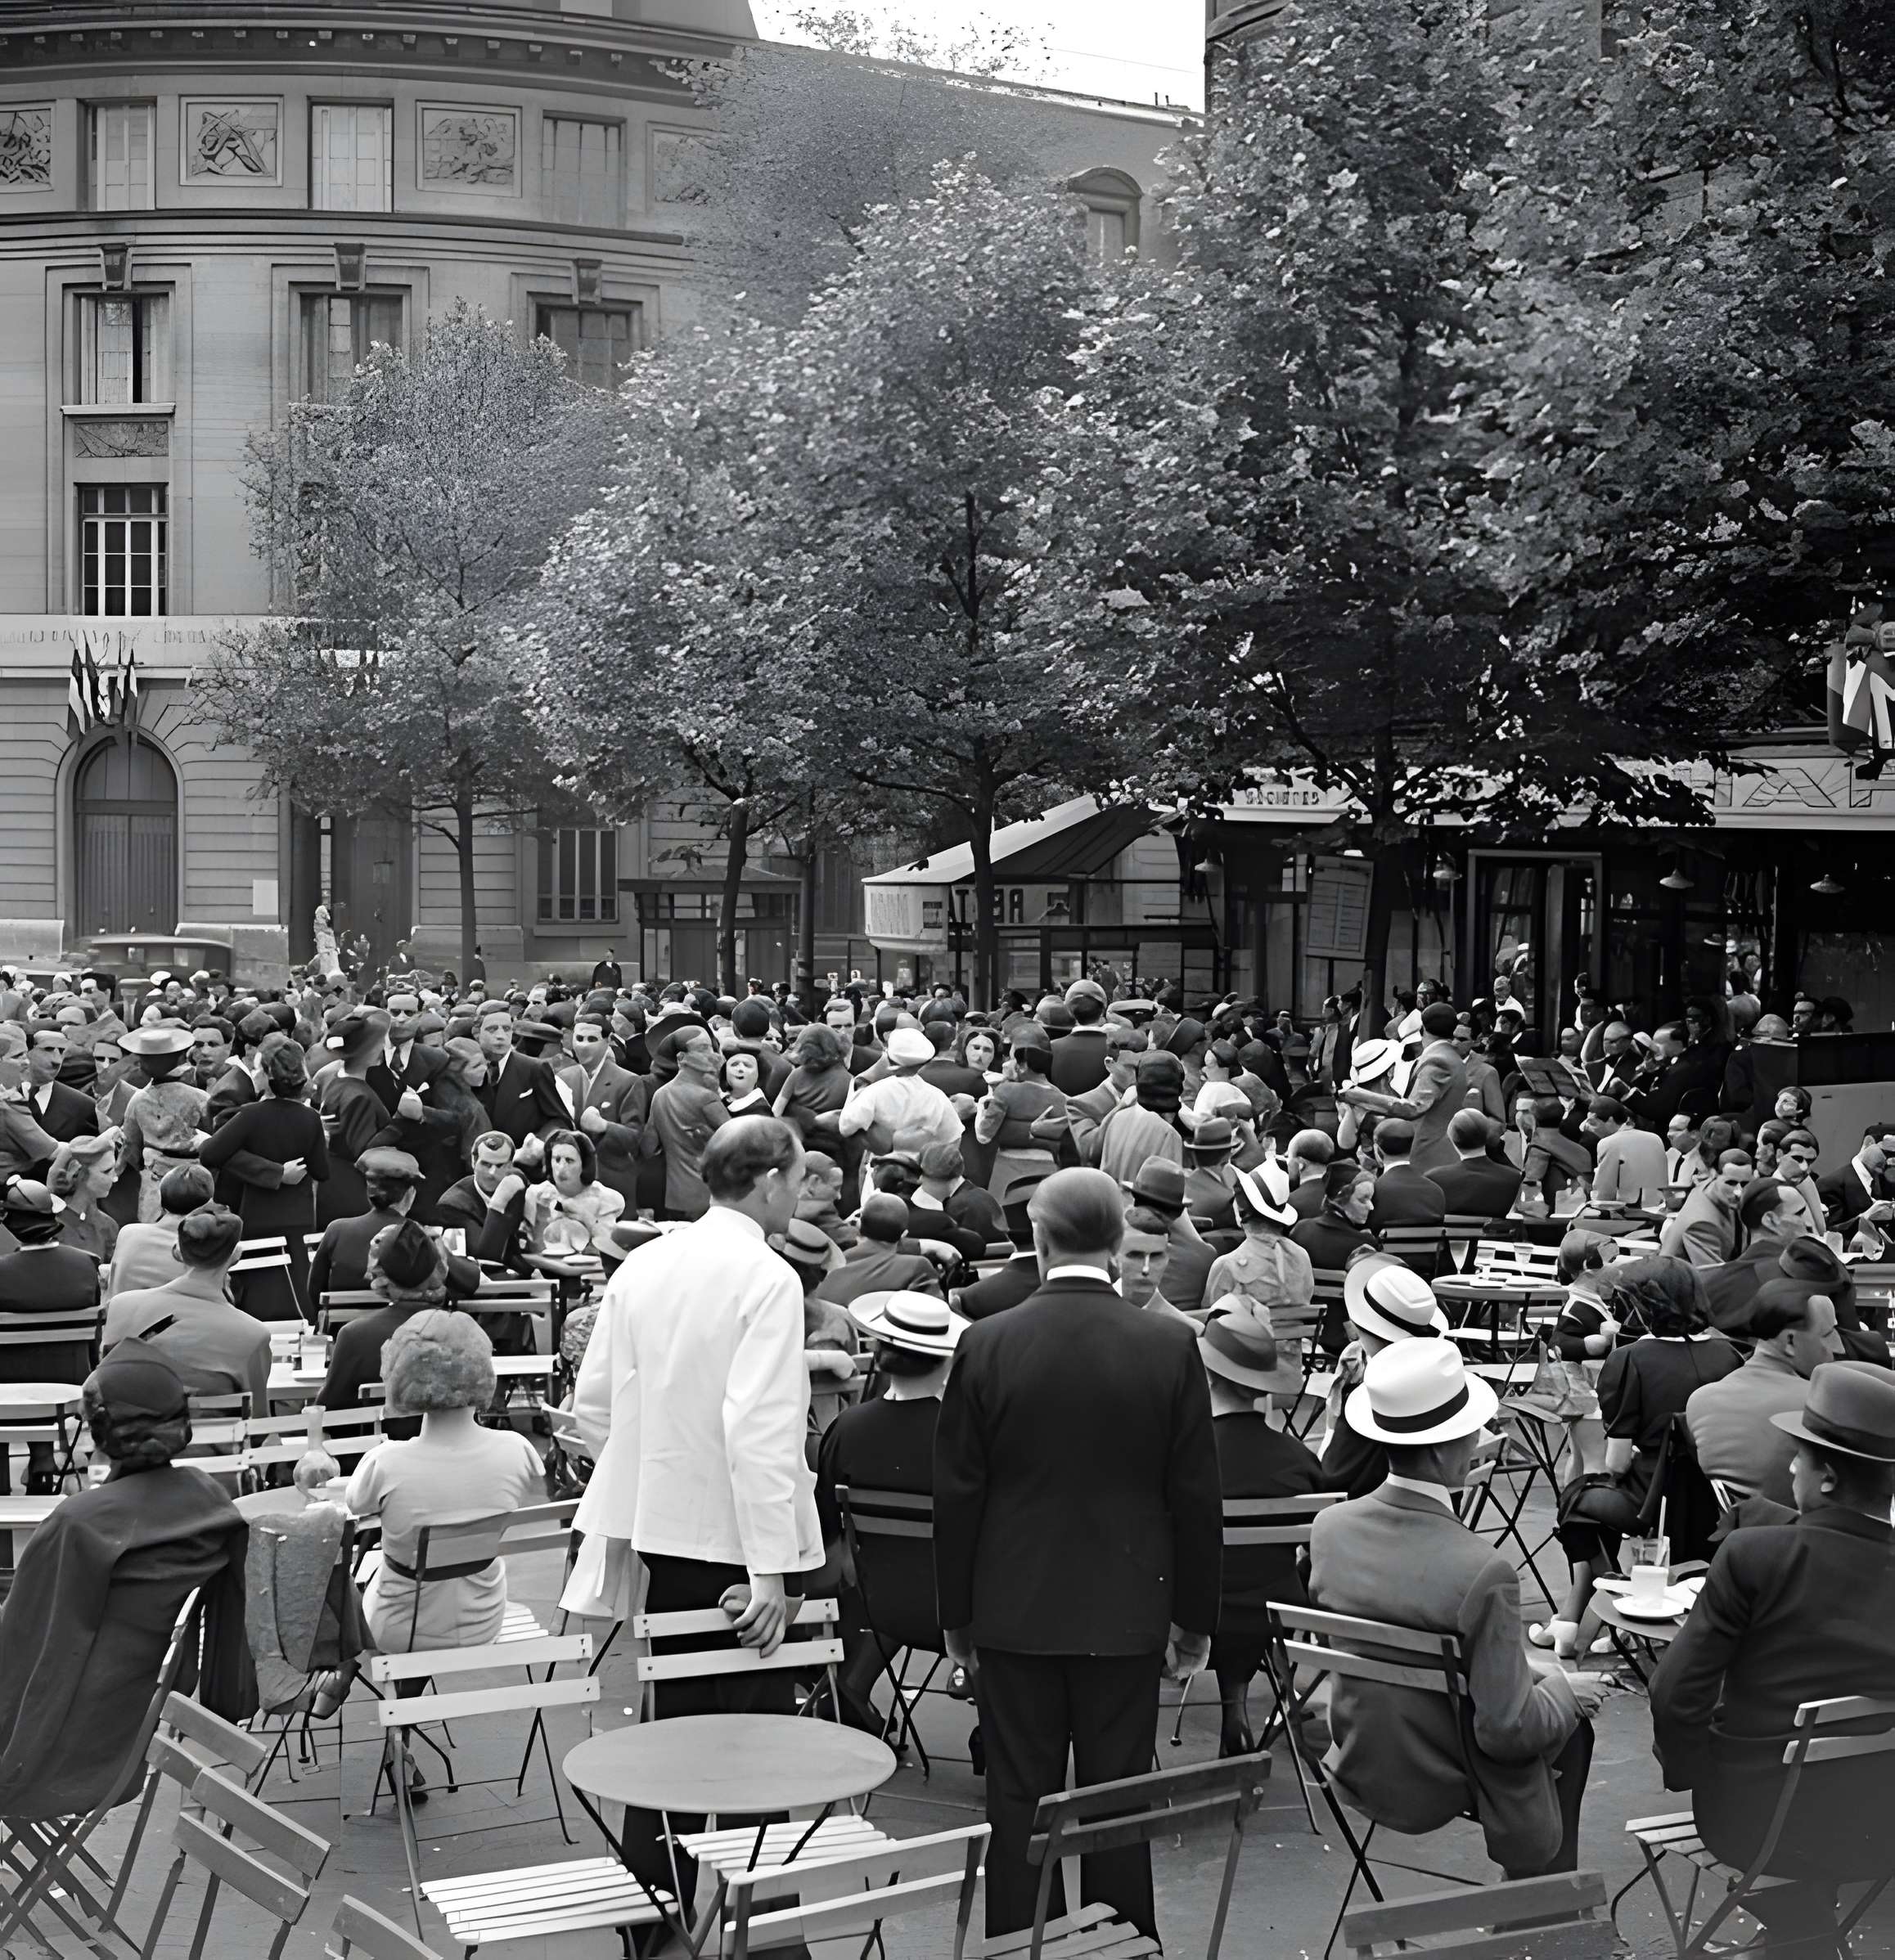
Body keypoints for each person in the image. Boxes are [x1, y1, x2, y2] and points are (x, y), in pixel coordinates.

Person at [934, 1167, 1222, 1942]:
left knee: (1018, 1803)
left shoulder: (987, 1343)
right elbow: (1196, 1498)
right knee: (1115, 1803)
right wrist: (1195, 1619)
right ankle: (1122, 1946)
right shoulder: (1167, 1345)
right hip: (1127, 1609)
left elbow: (958, 1496)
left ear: (1037, 1236)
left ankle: (1020, 1946)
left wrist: (955, 1615)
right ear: (1118, 1240)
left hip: (1013, 1606)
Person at [567, 1117, 821, 1910]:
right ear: (771, 1177)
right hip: (738, 1545)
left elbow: (595, 1403)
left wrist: (659, 1483)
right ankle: (767, 1934)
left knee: (678, 1741)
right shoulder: (767, 1275)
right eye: (802, 1175)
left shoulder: (648, 1262)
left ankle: (657, 1923)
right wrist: (769, 1570)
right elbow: (763, 1430)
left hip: (664, 1534)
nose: (805, 1191)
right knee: (750, 1752)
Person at [1308, 1340, 1605, 1878]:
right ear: (1451, 1449)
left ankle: (1541, 1911)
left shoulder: (1331, 1529)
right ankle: (1539, 1911)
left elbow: (1400, 1636)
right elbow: (1506, 1731)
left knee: (1544, 1695)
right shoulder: (1481, 1569)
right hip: (1442, 1770)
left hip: (1360, 1755)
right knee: (1572, 1730)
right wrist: (1565, 1689)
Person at [1650, 1362, 1895, 1955]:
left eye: (1800, 1458)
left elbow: (1673, 1696)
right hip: (1879, 1828)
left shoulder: (1755, 1556)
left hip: (1754, 1823)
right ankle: (1800, 1930)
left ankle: (1795, 1927)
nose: (1790, 1467)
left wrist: (1692, 1773)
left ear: (1828, 1479)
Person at [0, 1345, 254, 1819]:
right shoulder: (206, 1495)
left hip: (62, 1748)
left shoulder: (81, 1523)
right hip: (127, 1725)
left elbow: (23, 1643)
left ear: (98, 1431)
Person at [1542, 1258, 1741, 1658]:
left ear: (1641, 1307)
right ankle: (1592, 1615)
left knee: (1578, 1500)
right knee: (1594, 1501)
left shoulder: (1630, 1360)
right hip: (1718, 1496)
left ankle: (1610, 1609)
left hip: (1654, 1499)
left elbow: (1616, 1463)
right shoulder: (1730, 1354)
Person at [814, 1290, 966, 1739]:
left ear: (878, 1359)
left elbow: (827, 1525)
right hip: (960, 1610)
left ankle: (850, 1685)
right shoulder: (965, 1434)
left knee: (872, 1565)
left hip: (877, 1604)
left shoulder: (847, 1428)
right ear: (945, 1362)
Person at [347, 1311, 545, 1657]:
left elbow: (355, 1505)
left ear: (399, 1376)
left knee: (355, 1579)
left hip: (401, 1629)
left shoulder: (386, 1461)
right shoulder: (518, 1450)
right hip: (483, 1623)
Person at [1199, 1301, 1320, 1757]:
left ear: (1207, 1377)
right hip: (1277, 1611)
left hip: (1197, 1609)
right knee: (1253, 1580)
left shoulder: (1187, 1454)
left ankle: (1235, 1709)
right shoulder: (1296, 1458)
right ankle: (1237, 1707)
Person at [196, 1035, 329, 1319]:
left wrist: (265, 1169)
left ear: (268, 1076)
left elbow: (210, 1154)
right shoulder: (311, 1118)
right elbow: (321, 1171)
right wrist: (279, 1172)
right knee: (295, 1289)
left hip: (259, 1215)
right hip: (299, 1215)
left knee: (258, 1289)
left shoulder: (250, 1115)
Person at [101, 1205, 272, 1415]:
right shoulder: (253, 1334)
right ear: (235, 1255)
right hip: (214, 1444)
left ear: (178, 1251)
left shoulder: (120, 1306)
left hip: (123, 1440)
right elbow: (259, 1423)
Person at [1686, 1278, 1837, 1505]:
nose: (1838, 1347)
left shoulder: (1699, 1401)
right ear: (1790, 1340)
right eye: (1828, 1335)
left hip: (1728, 1534)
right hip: (1805, 1535)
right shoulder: (1823, 1404)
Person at [0, 1177, 105, 1492]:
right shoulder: (86, 1266)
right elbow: (93, 1343)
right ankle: (44, 1458)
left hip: (10, 1386)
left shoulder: (2, 1273)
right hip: (71, 1382)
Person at [1318, 1258, 1449, 1499]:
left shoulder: (1369, 1400)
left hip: (1369, 1521)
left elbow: (1333, 1481)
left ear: (1362, 1330)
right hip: (1432, 1515)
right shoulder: (1443, 1390)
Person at [314, 1219, 459, 1427]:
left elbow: (330, 1408)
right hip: (446, 1450)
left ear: (381, 1274)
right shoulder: (459, 1330)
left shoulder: (355, 1335)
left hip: (371, 1450)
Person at [309, 1148, 480, 1301]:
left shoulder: (336, 1230)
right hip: (404, 1328)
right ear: (410, 1194)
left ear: (370, 1194)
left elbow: (314, 1289)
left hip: (341, 1330)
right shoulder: (417, 1236)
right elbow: (470, 1282)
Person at [1335, 1001, 1467, 1172]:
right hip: (1437, 1154)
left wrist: (1356, 1095)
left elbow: (1413, 1108)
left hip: (1429, 1157)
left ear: (1423, 1029)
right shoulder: (1449, 1057)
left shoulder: (1437, 1060)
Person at [317, 1010, 398, 1229]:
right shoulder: (358, 1096)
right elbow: (364, 1153)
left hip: (333, 1184)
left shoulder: (337, 1084)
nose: (383, 1047)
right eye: (380, 1042)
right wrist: (401, 1124)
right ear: (369, 1052)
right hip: (353, 1192)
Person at [119, 1025, 209, 1223]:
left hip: (156, 1180)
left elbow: (131, 1148)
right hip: (197, 1180)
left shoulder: (138, 1100)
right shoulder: (201, 1098)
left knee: (154, 1230)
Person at [647, 1032, 728, 1221]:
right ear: (681, 1058)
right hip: (707, 1196)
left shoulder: (660, 1094)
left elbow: (648, 1146)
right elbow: (736, 1140)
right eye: (702, 1048)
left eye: (711, 1046)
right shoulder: (706, 1098)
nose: (711, 1053)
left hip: (674, 1196)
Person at [108, 1162, 215, 1299]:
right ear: (208, 1205)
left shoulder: (128, 1233)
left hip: (120, 1317)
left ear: (159, 1197)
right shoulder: (204, 1253)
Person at [821, 1194, 945, 1306]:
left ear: (859, 1226)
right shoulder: (917, 1267)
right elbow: (936, 1316)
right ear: (904, 1234)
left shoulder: (830, 1265)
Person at [522, 1127, 626, 1260]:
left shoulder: (604, 1198)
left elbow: (614, 1250)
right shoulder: (536, 1195)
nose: (561, 1168)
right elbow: (526, 1246)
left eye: (569, 1161)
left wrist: (585, 1217)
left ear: (585, 1164)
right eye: (557, 1159)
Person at [436, 1129, 530, 1267]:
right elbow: (486, 1258)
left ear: (509, 1166)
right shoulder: (453, 1205)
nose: (492, 1173)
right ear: (474, 1162)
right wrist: (498, 1203)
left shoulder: (516, 1181)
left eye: (499, 1165)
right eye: (486, 1164)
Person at [1659, 1149, 1753, 1266]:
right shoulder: (1701, 1223)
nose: (1739, 1192)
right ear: (1714, 1175)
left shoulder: (1711, 1189)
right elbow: (1714, 1277)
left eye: (1745, 1184)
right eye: (1731, 1183)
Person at [1426, 1110, 1524, 1218]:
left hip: (1452, 1234)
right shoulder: (1514, 1178)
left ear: (1453, 1140)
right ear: (1487, 1136)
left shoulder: (1434, 1178)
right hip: (1496, 1234)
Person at [1581, 1095, 1668, 1209]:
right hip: (1660, 1205)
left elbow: (1604, 1192)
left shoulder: (1608, 1143)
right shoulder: (1655, 1138)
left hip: (1629, 1210)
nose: (1593, 1130)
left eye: (1594, 1124)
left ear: (1610, 1120)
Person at [49, 1128, 120, 1264]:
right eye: (106, 1172)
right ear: (78, 1175)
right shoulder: (49, 1228)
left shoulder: (109, 1227)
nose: (114, 1178)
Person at [23, 1022, 100, 1144]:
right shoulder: (5, 1095)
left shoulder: (84, 1107)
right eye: (48, 1049)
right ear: (26, 1051)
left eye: (61, 1051)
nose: (57, 1061)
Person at [1816, 1121, 1895, 1236]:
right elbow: (1828, 1234)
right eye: (1887, 1153)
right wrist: (1865, 1218)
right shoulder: (1830, 1184)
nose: (1892, 1162)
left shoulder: (1886, 1181)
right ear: (1868, 1143)